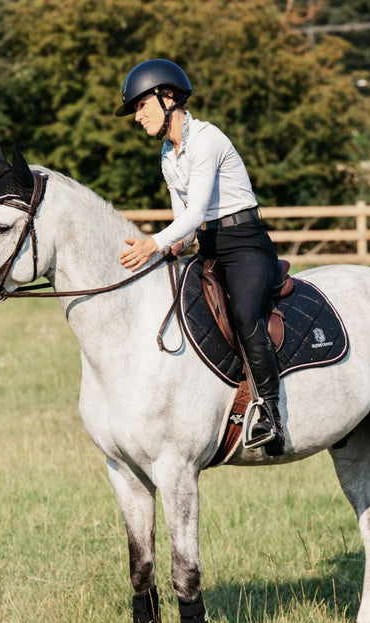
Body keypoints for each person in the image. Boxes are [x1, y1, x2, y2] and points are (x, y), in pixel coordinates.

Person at [115, 58, 284, 455]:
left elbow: (194, 211)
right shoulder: (167, 156)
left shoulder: (208, 139)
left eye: (142, 105)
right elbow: (186, 221)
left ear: (168, 96)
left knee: (244, 315)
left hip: (245, 244)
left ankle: (271, 413)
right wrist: (174, 243)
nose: (137, 117)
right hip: (207, 246)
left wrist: (153, 243)